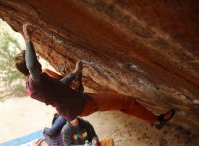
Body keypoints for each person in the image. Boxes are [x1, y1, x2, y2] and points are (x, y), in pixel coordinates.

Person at [14, 23, 175, 130]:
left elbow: (59, 86)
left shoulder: (36, 83)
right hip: (82, 104)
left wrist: (75, 73)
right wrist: (28, 39)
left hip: (78, 103)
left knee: (122, 103)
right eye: (36, 62)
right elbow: (33, 65)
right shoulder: (35, 83)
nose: (40, 63)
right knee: (127, 101)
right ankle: (157, 121)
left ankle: (153, 120)